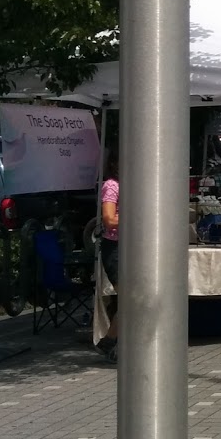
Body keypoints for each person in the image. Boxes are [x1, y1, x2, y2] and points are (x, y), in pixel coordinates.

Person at [97, 152, 120, 359]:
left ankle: (110, 341)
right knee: (131, 300)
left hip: (135, 247)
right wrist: (139, 215)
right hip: (116, 249)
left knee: (136, 298)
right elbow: (109, 220)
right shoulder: (112, 185)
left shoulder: (137, 183)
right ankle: (110, 342)